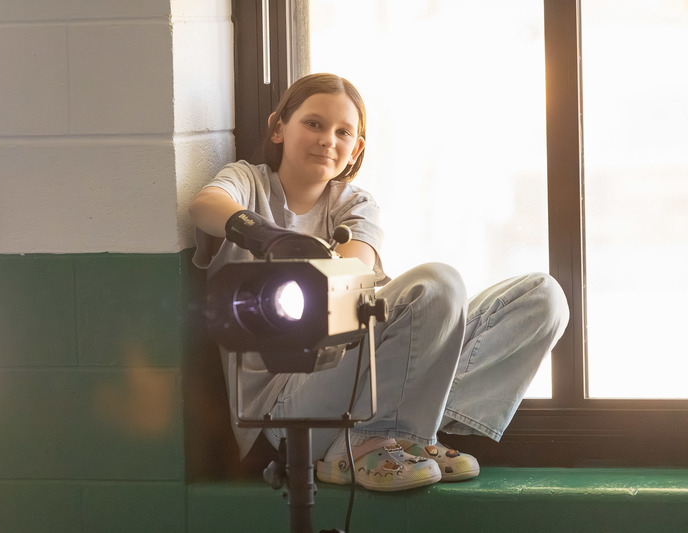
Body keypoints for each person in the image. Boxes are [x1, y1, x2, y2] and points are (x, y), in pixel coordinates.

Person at [189, 72, 569, 492]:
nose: (327, 139)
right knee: (437, 284)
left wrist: (318, 259)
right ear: (279, 127)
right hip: (284, 413)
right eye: (313, 123)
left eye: (343, 132)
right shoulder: (249, 182)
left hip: (359, 389)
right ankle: (368, 441)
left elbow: (354, 273)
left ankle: (410, 438)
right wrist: (270, 238)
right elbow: (205, 204)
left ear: (356, 149)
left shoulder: (356, 204)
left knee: (543, 297)